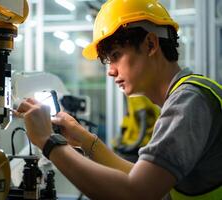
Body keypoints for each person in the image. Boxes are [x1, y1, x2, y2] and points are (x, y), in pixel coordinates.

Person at [16, 0, 222, 199]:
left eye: (115, 55)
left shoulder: (189, 101)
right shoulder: (189, 95)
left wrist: (48, 142)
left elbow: (137, 193)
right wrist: (86, 141)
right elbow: (147, 181)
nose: (110, 72)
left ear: (150, 44)